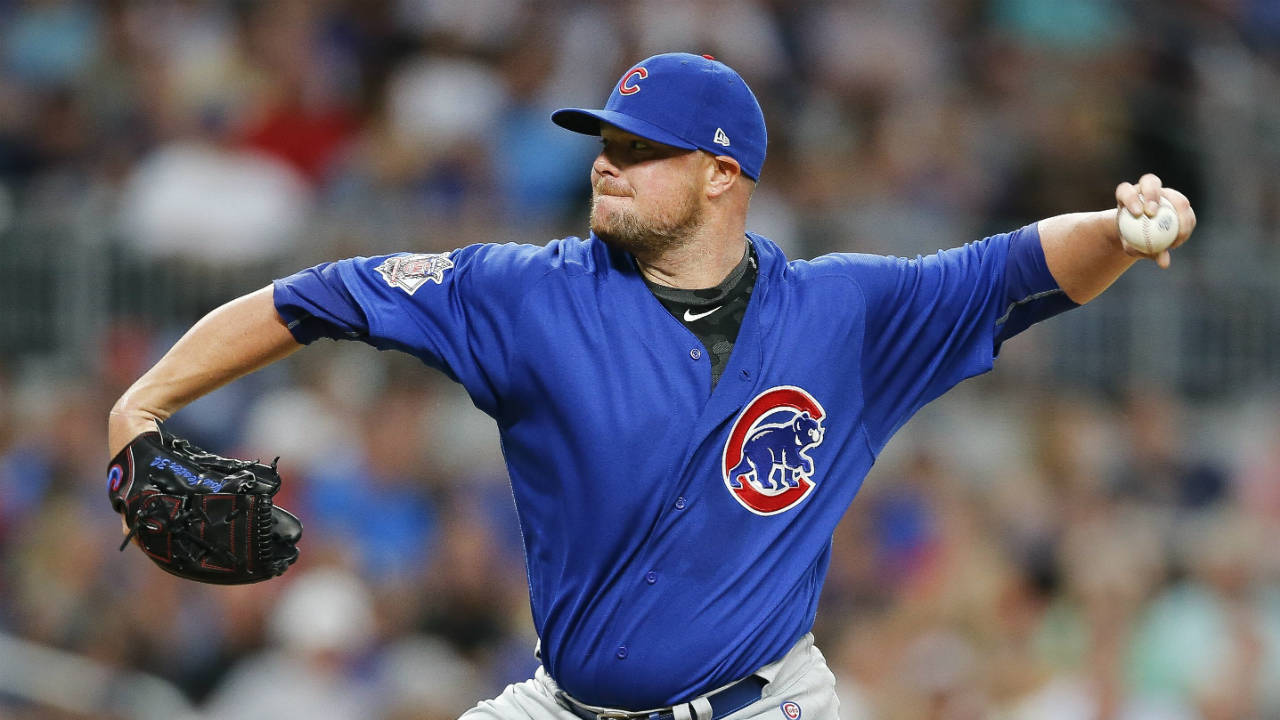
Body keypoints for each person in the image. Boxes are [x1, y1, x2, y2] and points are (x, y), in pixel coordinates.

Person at [108, 52, 1196, 720]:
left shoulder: (844, 314)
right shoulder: (522, 294)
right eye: (605, 141)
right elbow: (308, 298)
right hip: (564, 705)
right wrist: (140, 406)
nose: (606, 161)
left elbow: (1015, 267)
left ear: (723, 174)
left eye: (641, 148)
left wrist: (1118, 228)